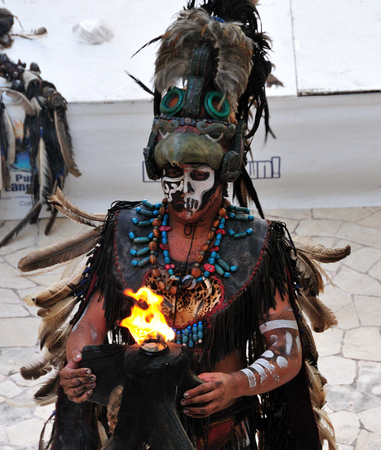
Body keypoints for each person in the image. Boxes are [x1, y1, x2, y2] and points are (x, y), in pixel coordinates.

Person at [18, 1, 349, 449]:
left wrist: (237, 385)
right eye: (172, 174)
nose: (182, 190)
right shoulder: (127, 231)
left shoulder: (255, 244)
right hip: (132, 432)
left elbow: (286, 350)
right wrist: (78, 362)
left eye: (198, 176)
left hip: (218, 437)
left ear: (227, 168)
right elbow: (92, 325)